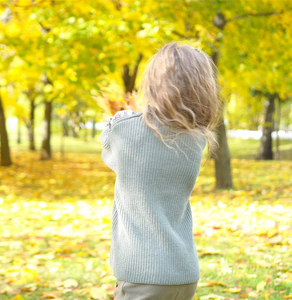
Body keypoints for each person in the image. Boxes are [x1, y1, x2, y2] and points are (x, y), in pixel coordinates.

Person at [100, 42, 222, 300]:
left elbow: (109, 149)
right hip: (184, 274)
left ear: (153, 84)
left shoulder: (125, 130)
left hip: (143, 275)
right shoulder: (196, 139)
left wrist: (118, 119)